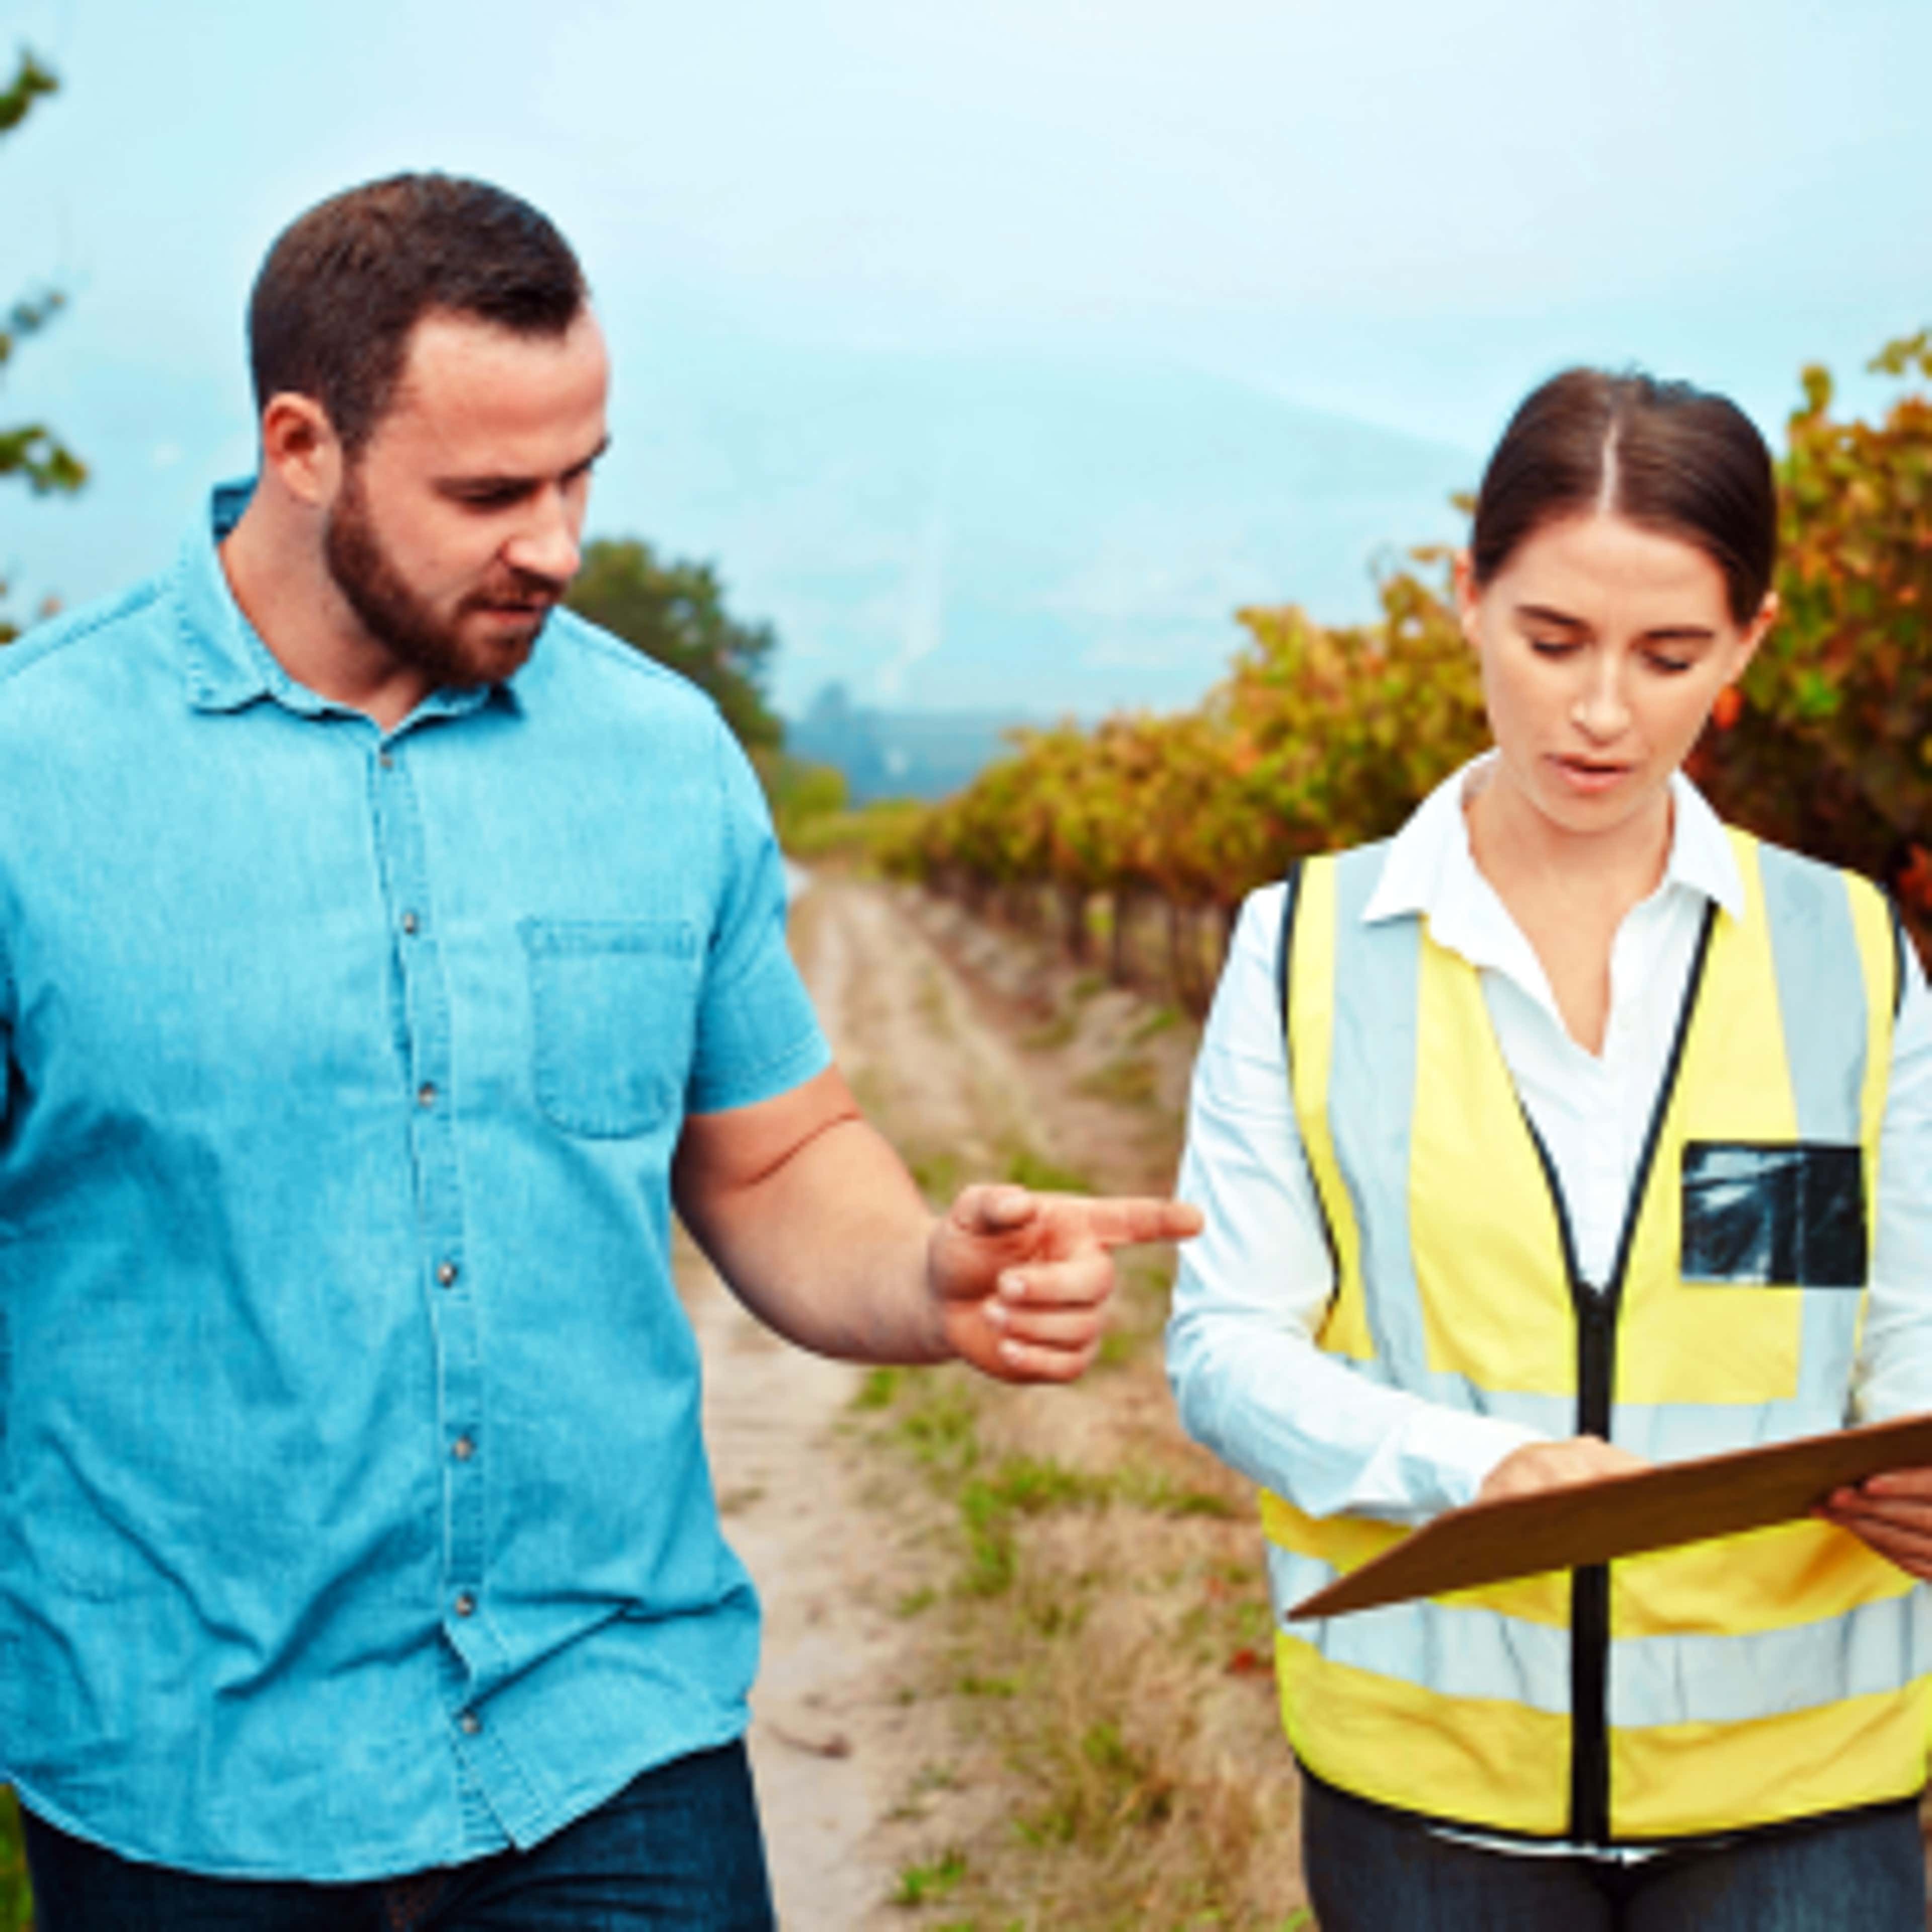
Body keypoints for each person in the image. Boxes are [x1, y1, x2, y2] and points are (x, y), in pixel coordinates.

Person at [0, 173, 1200, 1931]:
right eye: (492, 494)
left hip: (607, 1743)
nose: (557, 544)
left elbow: (773, 1157)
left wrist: (925, 1278)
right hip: (179, 1776)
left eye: (582, 477)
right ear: (301, 447)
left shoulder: (662, 756)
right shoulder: (33, 776)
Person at [1166, 366, 1932, 1930]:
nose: (1602, 712)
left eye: (1670, 656)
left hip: (1804, 1793)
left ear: (1751, 641)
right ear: (1469, 598)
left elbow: (1909, 1327)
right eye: (1553, 640)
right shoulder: (1302, 947)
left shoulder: (1854, 952)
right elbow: (1226, 1348)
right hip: (1431, 1792)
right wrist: (1483, 1474)